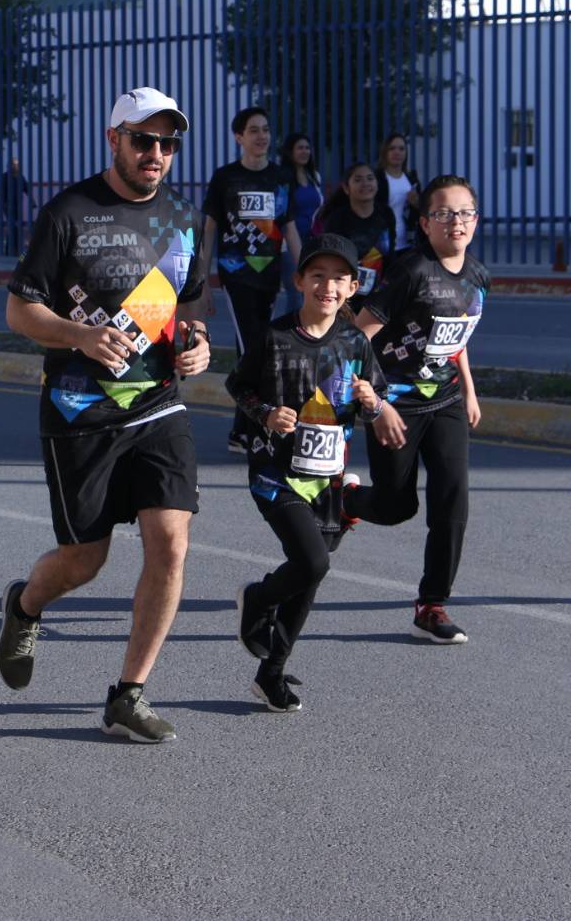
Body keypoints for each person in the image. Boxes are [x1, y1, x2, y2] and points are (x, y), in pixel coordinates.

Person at [0, 86, 212, 743]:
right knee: (84, 560)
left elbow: (190, 303)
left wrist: (198, 344)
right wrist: (79, 335)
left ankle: (128, 693)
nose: (155, 153)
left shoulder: (182, 218)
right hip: (79, 407)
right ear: (112, 138)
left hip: (155, 403)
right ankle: (25, 603)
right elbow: (18, 309)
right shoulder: (69, 212)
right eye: (142, 139)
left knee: (170, 539)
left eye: (167, 143)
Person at [227, 233, 395, 711]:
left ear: (352, 288)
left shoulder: (355, 342)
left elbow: (375, 398)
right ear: (299, 281)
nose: (328, 286)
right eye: (317, 275)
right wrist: (264, 414)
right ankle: (258, 599)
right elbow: (237, 385)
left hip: (328, 478)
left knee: (309, 576)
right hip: (275, 473)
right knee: (313, 562)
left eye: (339, 278)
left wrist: (372, 402)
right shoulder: (274, 337)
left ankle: (271, 673)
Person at [344, 174, 488, 643]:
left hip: (444, 400)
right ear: (425, 223)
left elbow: (455, 339)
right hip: (395, 403)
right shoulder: (410, 271)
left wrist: (468, 390)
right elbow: (359, 337)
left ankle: (432, 605)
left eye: (464, 212)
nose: (456, 222)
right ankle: (346, 500)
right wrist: (375, 402)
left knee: (452, 502)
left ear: (476, 219)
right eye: (444, 214)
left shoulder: (477, 277)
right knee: (394, 505)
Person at [202, 106, 302, 453]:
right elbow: (210, 228)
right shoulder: (225, 177)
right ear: (239, 137)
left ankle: (242, 430)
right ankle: (251, 428)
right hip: (236, 275)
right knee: (253, 348)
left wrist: (303, 273)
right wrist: (203, 281)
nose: (261, 136)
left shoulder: (280, 177)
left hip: (270, 276)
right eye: (253, 130)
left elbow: (288, 228)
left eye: (265, 129)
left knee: (260, 349)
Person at [318, 162, 397, 314]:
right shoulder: (336, 219)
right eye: (358, 179)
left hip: (379, 297)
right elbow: (331, 260)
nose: (365, 183)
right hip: (346, 297)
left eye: (370, 178)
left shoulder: (386, 214)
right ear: (346, 188)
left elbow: (390, 253)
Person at [276, 132, 323, 315]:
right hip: (288, 244)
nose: (304, 151)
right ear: (290, 152)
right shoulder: (283, 179)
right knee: (296, 292)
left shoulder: (315, 177)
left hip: (312, 242)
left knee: (311, 292)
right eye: (300, 148)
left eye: (307, 148)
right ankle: (291, 334)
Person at [378, 132, 422, 248]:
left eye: (401, 149)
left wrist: (417, 203)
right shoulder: (377, 178)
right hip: (382, 242)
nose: (397, 152)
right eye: (392, 148)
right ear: (385, 152)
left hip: (407, 242)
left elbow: (422, 209)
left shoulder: (411, 179)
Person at [0, 155, 34, 256]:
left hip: (18, 205)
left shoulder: (20, 177)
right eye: (14, 164)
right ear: (9, 166)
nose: (15, 166)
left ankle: (14, 250)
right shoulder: (4, 177)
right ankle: (10, 250)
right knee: (13, 226)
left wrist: (32, 201)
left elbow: (27, 190)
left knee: (17, 227)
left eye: (17, 165)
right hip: (7, 206)